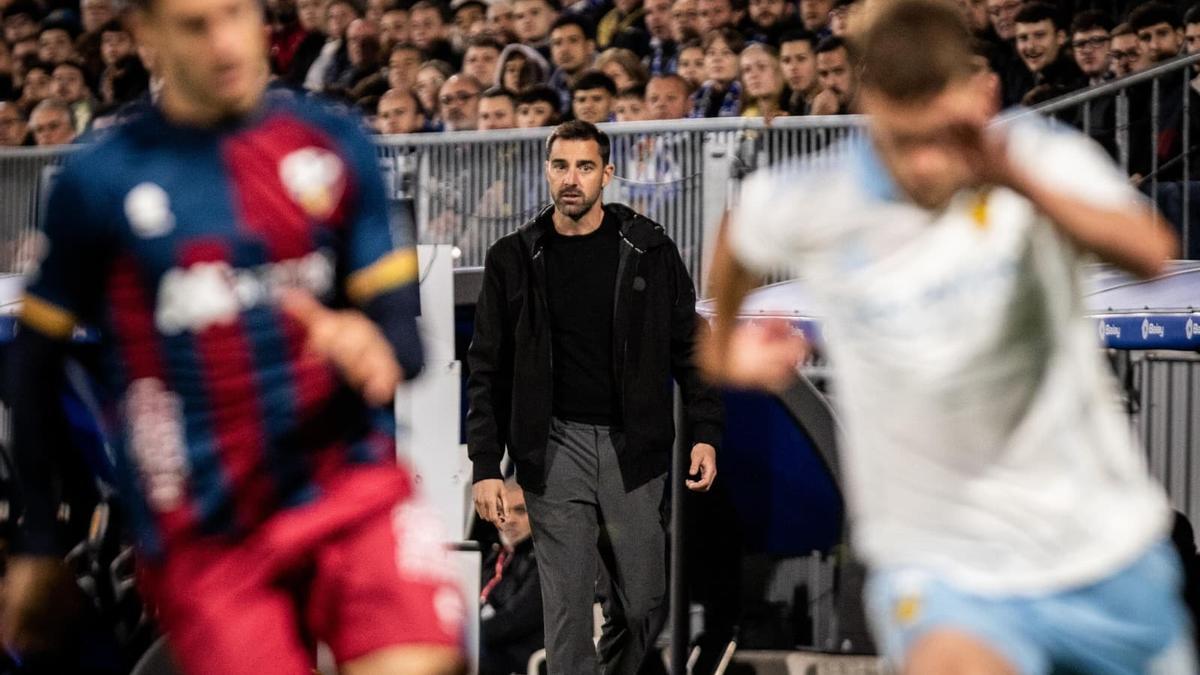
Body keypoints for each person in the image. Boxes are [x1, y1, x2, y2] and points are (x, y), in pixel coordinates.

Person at [701, 2, 1194, 674]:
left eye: (938, 134)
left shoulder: (1038, 157)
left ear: (976, 92)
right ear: (871, 104)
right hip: (939, 564)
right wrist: (725, 349)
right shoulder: (819, 195)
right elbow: (740, 233)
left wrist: (1016, 178)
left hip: (1100, 549)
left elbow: (1151, 252)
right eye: (902, 140)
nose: (923, 164)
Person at [1, 0, 466, 670]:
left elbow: (404, 338)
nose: (223, 43)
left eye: (235, 14)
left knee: (421, 661)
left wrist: (373, 345)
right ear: (146, 35)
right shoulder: (99, 179)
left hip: (346, 487)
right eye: (195, 25)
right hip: (205, 526)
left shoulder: (331, 144)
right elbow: (33, 366)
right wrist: (41, 542)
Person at [467, 120, 723, 675]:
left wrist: (706, 431)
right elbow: (487, 367)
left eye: (584, 167)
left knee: (643, 604)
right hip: (553, 448)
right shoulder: (514, 257)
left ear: (607, 174)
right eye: (561, 166)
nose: (571, 179)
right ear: (546, 171)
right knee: (567, 609)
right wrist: (486, 465)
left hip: (634, 449)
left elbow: (691, 347)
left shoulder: (650, 249)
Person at [478, 478, 545, 675]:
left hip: (524, 657)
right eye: (502, 511)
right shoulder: (494, 555)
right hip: (493, 648)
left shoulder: (545, 561)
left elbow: (514, 620)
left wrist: (464, 637)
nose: (509, 519)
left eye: (520, 511)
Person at [1012, 2, 1085, 100]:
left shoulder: (1079, 77)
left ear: (1060, 37)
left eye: (1039, 35)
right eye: (1023, 38)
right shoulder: (1016, 76)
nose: (1030, 46)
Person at [548, 14, 597, 113]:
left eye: (573, 40)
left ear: (590, 46)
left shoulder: (610, 77)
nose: (564, 49)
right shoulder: (551, 88)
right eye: (557, 43)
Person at [810, 34, 854, 115]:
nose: (831, 83)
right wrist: (817, 119)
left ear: (858, 70)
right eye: (824, 74)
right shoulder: (816, 106)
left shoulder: (876, 106)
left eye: (838, 71)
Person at [779, 28, 819, 114]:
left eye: (801, 59)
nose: (793, 67)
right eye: (786, 60)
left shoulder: (835, 100)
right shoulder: (786, 101)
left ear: (818, 61)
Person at [1071, 10, 1113, 87]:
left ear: (1113, 44)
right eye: (1080, 44)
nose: (1087, 50)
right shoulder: (1071, 90)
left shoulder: (1130, 82)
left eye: (1096, 41)